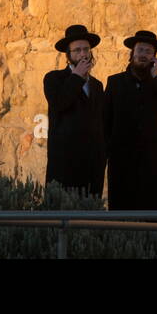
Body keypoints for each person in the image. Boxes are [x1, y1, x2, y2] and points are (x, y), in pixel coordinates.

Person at [103, 29, 157, 210]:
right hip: (122, 158)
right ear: (132, 54)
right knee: (123, 208)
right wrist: (108, 149)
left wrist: (153, 78)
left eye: (148, 52)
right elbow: (105, 118)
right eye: (140, 50)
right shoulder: (115, 82)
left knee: (155, 206)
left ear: (154, 57)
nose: (143, 55)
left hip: (154, 159)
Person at [42, 23, 106, 198]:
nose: (83, 54)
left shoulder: (97, 85)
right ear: (68, 55)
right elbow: (59, 103)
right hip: (65, 163)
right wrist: (76, 76)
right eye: (77, 50)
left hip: (92, 165)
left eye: (86, 49)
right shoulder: (54, 78)